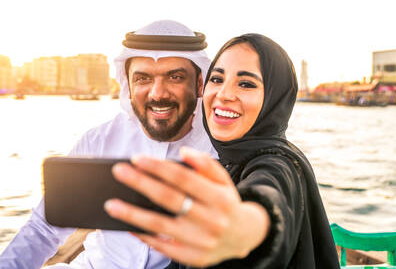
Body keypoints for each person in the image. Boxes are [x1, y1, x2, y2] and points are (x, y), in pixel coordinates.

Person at [0, 20, 218, 269]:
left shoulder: (219, 148)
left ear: (199, 84)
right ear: (128, 87)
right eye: (143, 79)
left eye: (174, 77)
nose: (157, 93)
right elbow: (44, 228)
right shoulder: (99, 141)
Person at [105, 33, 340, 268]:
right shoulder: (223, 164)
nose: (223, 94)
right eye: (216, 79)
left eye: (246, 84)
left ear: (274, 98)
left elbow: (269, 199)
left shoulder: (281, 162)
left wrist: (244, 230)